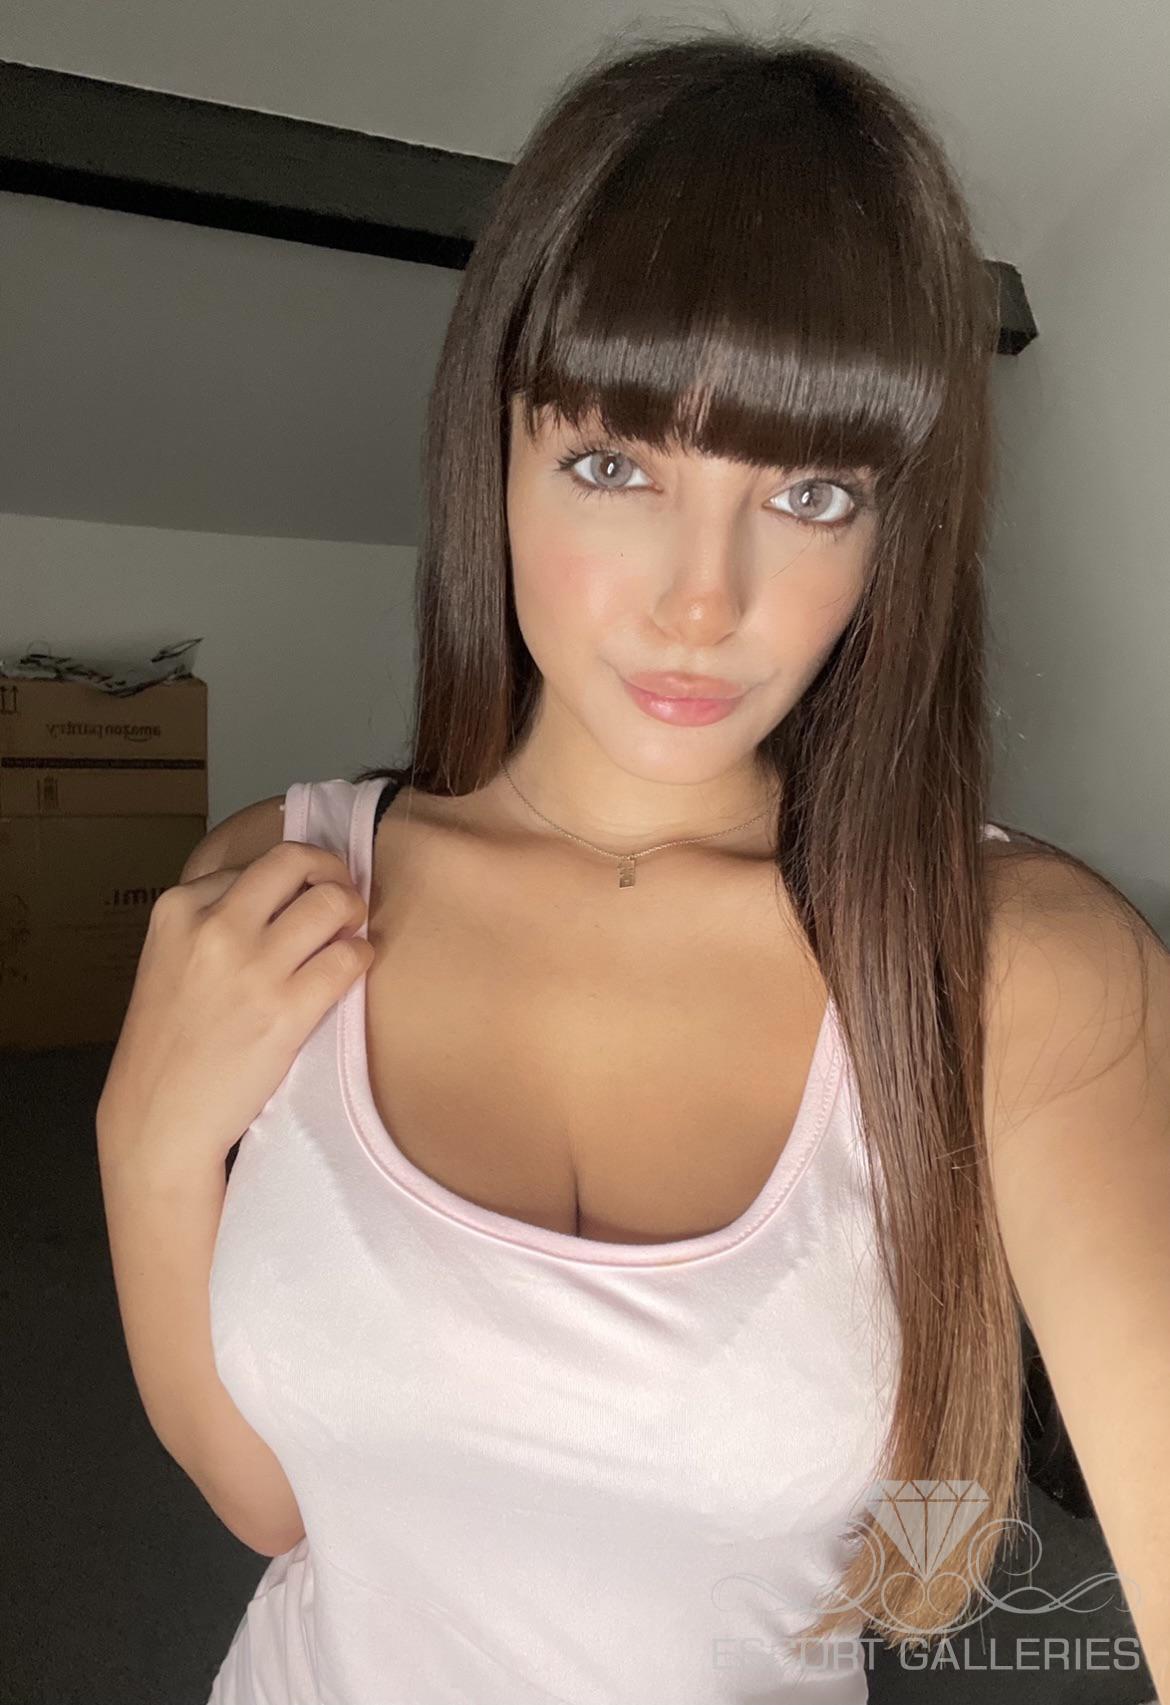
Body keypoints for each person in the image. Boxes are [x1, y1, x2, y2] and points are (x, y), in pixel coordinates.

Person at [96, 24, 1170, 1705]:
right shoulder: (283, 886)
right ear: (496, 457)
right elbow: (285, 1513)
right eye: (612, 464)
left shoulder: (1009, 966)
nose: (699, 600)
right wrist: (146, 1145)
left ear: (894, 530)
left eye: (810, 495)